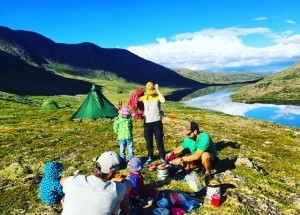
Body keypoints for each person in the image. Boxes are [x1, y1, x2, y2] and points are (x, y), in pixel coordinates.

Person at [60, 151, 133, 215]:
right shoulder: (114, 189)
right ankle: (127, 213)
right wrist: (114, 180)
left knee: (66, 198)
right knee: (121, 197)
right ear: (110, 174)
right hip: (113, 188)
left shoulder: (73, 181)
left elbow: (62, 180)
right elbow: (129, 184)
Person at [139, 82, 166, 166]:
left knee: (159, 140)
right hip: (147, 122)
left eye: (152, 89)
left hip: (157, 121)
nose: (151, 91)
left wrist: (158, 89)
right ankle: (150, 156)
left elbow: (163, 100)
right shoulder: (144, 98)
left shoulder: (157, 97)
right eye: (149, 89)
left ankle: (162, 156)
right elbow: (135, 100)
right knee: (149, 141)